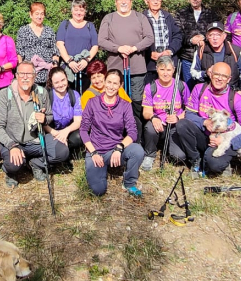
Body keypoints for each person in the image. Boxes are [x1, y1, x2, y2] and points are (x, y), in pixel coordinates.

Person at [0, 62, 68, 187]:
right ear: (16, 75)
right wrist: (12, 146)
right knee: (14, 164)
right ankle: (10, 172)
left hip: (36, 141)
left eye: (29, 74)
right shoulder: (5, 95)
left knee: (62, 151)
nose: (25, 77)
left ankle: (36, 163)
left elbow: (49, 116)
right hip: (13, 141)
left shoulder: (41, 92)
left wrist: (44, 119)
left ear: (35, 76)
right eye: (22, 74)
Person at [179, 62, 241, 176]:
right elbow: (189, 113)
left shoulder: (236, 99)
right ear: (210, 74)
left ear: (229, 79)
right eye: (217, 74)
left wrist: (229, 142)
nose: (220, 79)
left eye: (224, 76)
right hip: (204, 133)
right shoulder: (199, 89)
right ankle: (196, 160)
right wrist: (204, 122)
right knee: (182, 125)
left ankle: (225, 163)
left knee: (214, 164)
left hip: (223, 139)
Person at [97, 0, 155, 138]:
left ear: (131, 1)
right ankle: (115, 136)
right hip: (116, 70)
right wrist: (118, 48)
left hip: (136, 68)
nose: (123, 1)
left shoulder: (140, 18)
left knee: (136, 104)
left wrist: (134, 48)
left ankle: (136, 137)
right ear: (115, 1)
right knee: (115, 102)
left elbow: (149, 38)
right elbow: (101, 41)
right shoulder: (108, 18)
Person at [79, 69, 145, 197]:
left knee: (137, 150)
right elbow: (83, 130)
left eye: (115, 83)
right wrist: (93, 152)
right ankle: (100, 170)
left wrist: (119, 147)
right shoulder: (92, 102)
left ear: (120, 86)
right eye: (109, 82)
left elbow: (132, 132)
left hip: (115, 149)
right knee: (98, 191)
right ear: (104, 82)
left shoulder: (125, 105)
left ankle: (129, 183)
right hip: (96, 150)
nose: (111, 86)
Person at [141, 57, 192, 170]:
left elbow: (190, 109)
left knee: (179, 157)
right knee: (149, 128)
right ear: (157, 69)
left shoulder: (181, 86)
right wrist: (154, 117)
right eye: (162, 69)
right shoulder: (150, 87)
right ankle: (150, 154)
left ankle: (170, 147)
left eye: (169, 70)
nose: (165, 73)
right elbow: (146, 112)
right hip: (159, 125)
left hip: (175, 125)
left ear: (174, 70)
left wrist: (178, 117)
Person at [176, 0, 222, 83]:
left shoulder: (211, 14)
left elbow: (217, 33)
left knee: (205, 88)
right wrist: (190, 40)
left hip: (205, 58)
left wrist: (204, 38)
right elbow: (177, 34)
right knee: (188, 89)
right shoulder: (181, 13)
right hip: (187, 57)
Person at [55, 0, 99, 91]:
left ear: (85, 12)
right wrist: (69, 61)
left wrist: (86, 60)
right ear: (72, 11)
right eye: (76, 10)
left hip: (86, 67)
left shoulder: (90, 26)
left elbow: (95, 46)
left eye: (81, 10)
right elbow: (59, 44)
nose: (78, 13)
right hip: (68, 67)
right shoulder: (64, 24)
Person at [143, 0, 183, 83]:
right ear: (146, 1)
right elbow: (138, 40)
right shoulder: (141, 18)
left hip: (168, 64)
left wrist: (170, 50)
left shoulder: (168, 17)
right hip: (150, 65)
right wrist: (149, 53)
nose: (156, 2)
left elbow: (178, 36)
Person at [190, 22, 241, 92]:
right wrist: (205, 73)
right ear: (207, 36)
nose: (214, 38)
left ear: (224, 36)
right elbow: (193, 72)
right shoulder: (201, 51)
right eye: (211, 35)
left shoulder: (235, 51)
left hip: (231, 91)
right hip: (208, 91)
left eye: (218, 35)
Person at [15, 2, 59, 86]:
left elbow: (55, 51)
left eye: (42, 14)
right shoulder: (23, 30)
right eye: (37, 14)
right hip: (29, 74)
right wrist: (21, 70)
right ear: (31, 14)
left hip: (47, 73)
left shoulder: (49, 30)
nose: (40, 16)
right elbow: (19, 52)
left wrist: (55, 66)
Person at [44, 67, 83, 152]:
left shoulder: (74, 95)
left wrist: (66, 131)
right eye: (56, 82)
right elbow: (43, 123)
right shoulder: (47, 95)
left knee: (79, 136)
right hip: (52, 131)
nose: (61, 84)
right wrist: (57, 134)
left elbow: (78, 121)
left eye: (63, 80)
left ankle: (66, 150)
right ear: (51, 83)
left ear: (67, 78)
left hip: (68, 129)